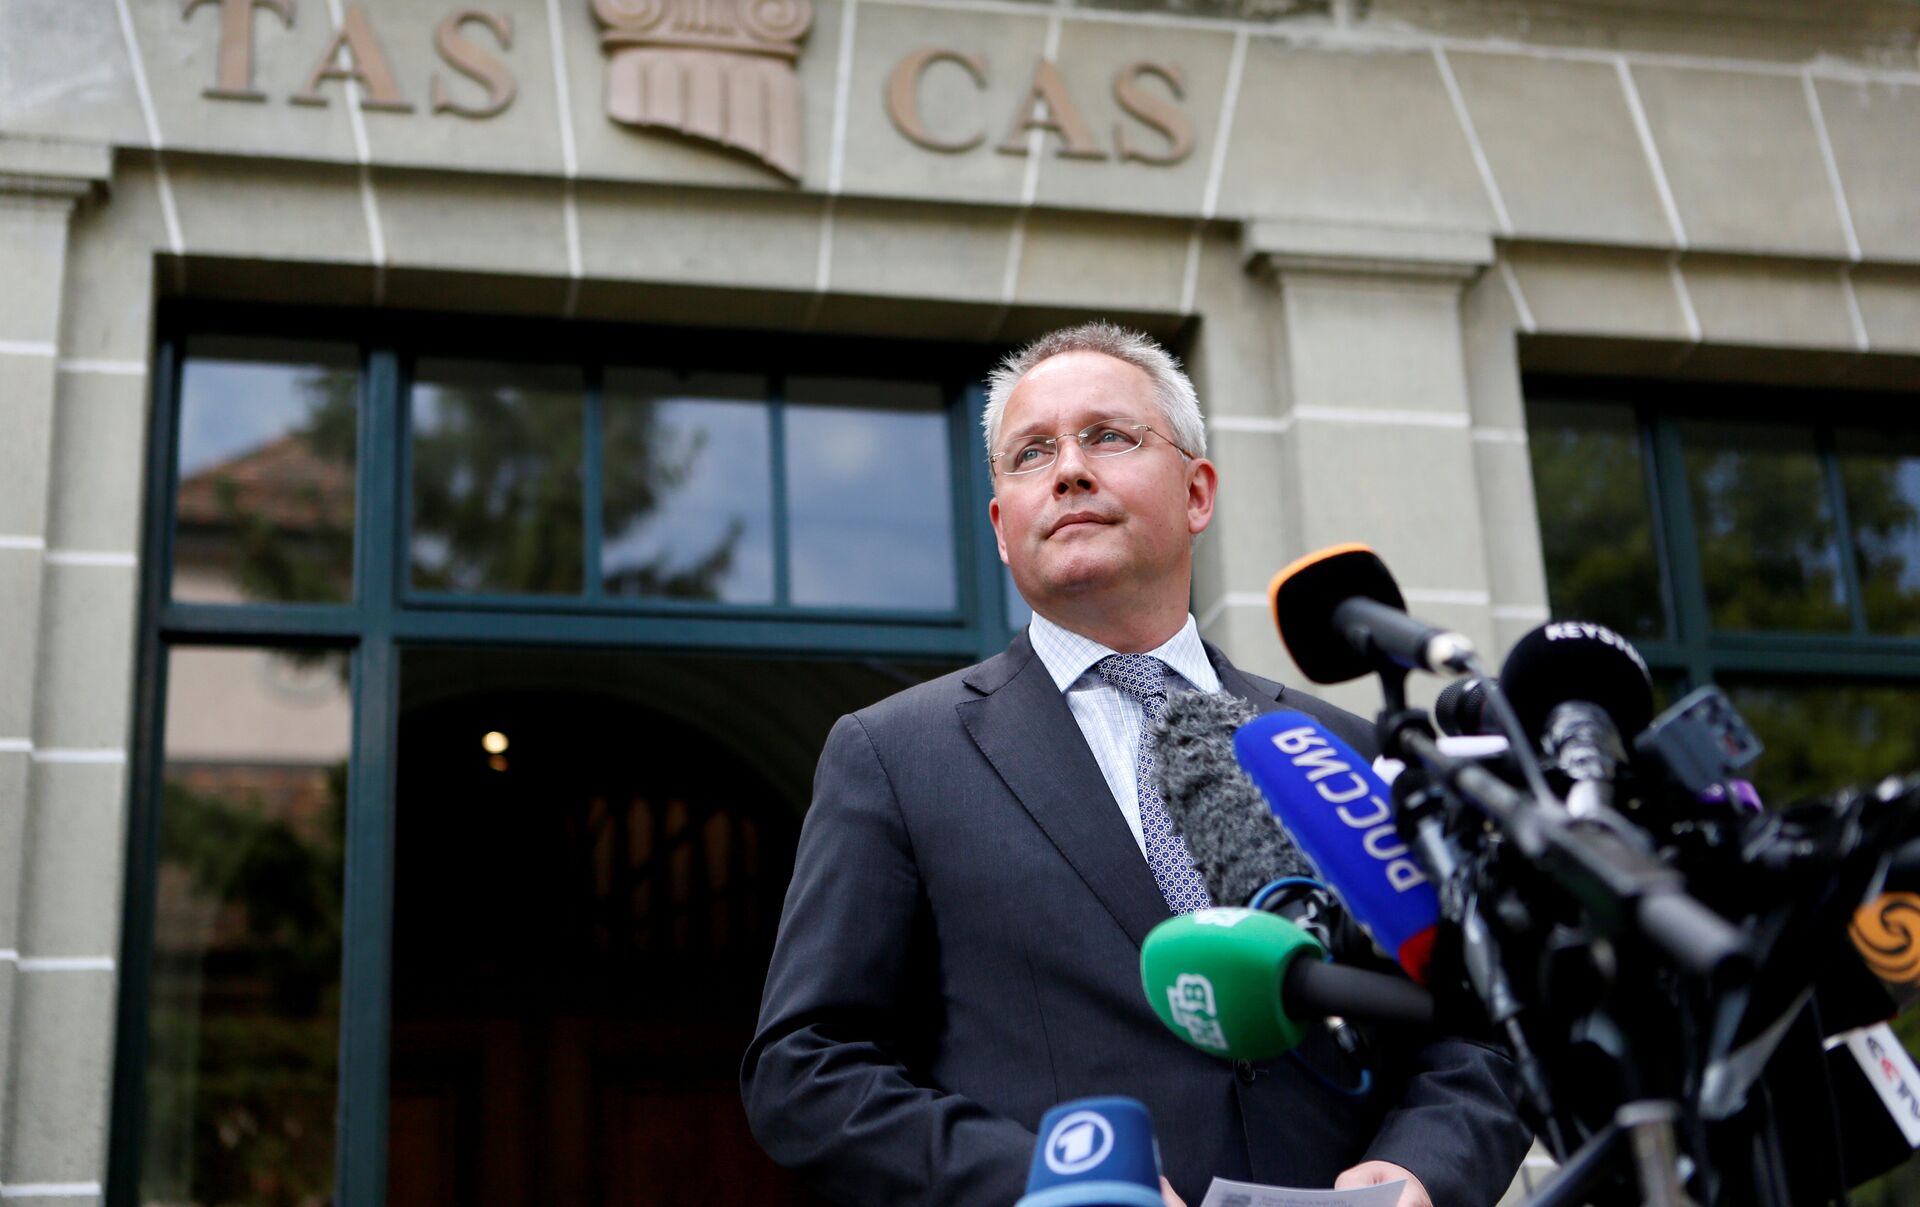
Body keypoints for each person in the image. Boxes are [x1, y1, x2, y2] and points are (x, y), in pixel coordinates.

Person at [741, 323, 1530, 1206]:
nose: (1069, 470)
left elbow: (1486, 1023)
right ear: (1001, 528)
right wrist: (1058, 1179)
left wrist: (1423, 1168)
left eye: (1108, 436)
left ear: (1197, 492)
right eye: (1032, 453)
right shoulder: (895, 754)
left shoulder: (1342, 750)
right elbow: (808, 1067)